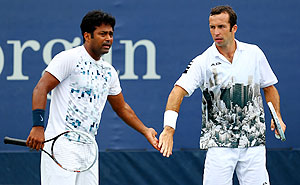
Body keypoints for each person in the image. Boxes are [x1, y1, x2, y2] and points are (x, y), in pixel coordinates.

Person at [26, 10, 159, 185]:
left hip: (89, 149)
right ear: (87, 36)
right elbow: (40, 88)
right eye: (102, 34)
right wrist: (38, 126)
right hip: (61, 145)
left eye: (111, 34)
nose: (109, 38)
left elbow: (121, 107)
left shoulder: (109, 72)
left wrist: (145, 130)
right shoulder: (69, 58)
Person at [158, 5, 286, 185]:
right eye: (212, 27)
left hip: (253, 143)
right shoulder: (202, 62)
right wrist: (168, 129)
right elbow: (176, 92)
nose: (216, 32)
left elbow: (269, 88)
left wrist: (277, 116)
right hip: (219, 146)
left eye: (221, 27)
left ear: (234, 28)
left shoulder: (254, 54)